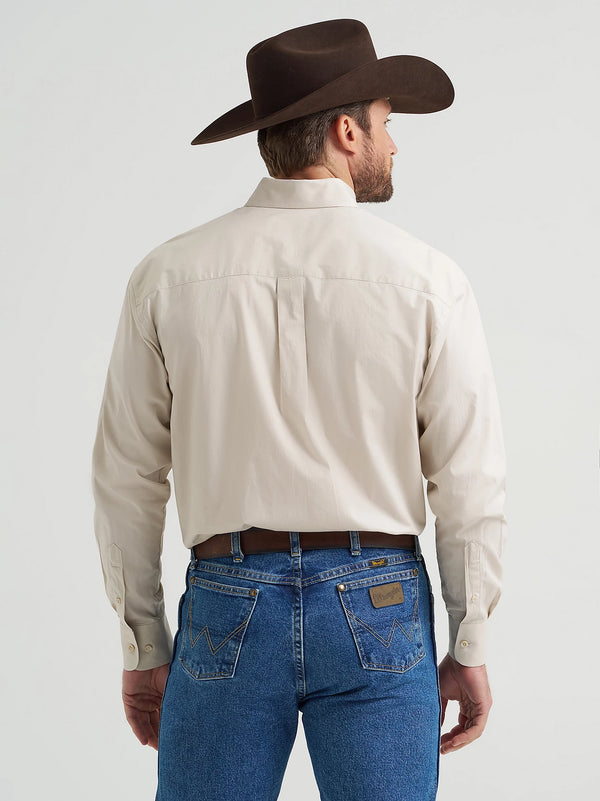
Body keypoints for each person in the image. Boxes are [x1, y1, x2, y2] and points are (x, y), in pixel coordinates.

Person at [91, 18, 508, 801]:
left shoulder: (168, 276)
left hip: (227, 597)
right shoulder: (428, 280)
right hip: (380, 600)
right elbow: (469, 481)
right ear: (347, 132)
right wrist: (471, 637)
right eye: (386, 122)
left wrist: (144, 641)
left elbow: (125, 478)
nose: (393, 143)